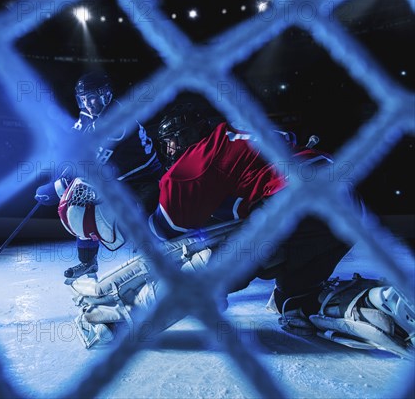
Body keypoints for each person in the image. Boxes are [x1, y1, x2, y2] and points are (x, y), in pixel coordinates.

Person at [68, 103, 414, 358]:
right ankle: (381, 304)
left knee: (205, 266)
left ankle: (116, 319)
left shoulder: (196, 160)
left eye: (173, 140)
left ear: (187, 138)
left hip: (294, 205)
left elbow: (165, 238)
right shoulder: (242, 134)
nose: (170, 148)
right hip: (345, 206)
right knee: (295, 304)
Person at [34, 71, 162, 284]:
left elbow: (93, 163)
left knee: (141, 220)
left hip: (143, 178)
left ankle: (155, 264)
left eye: (94, 97)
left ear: (107, 95)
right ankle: (88, 262)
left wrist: (57, 187)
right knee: (78, 202)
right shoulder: (88, 115)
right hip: (116, 177)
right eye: (84, 98)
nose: (89, 103)